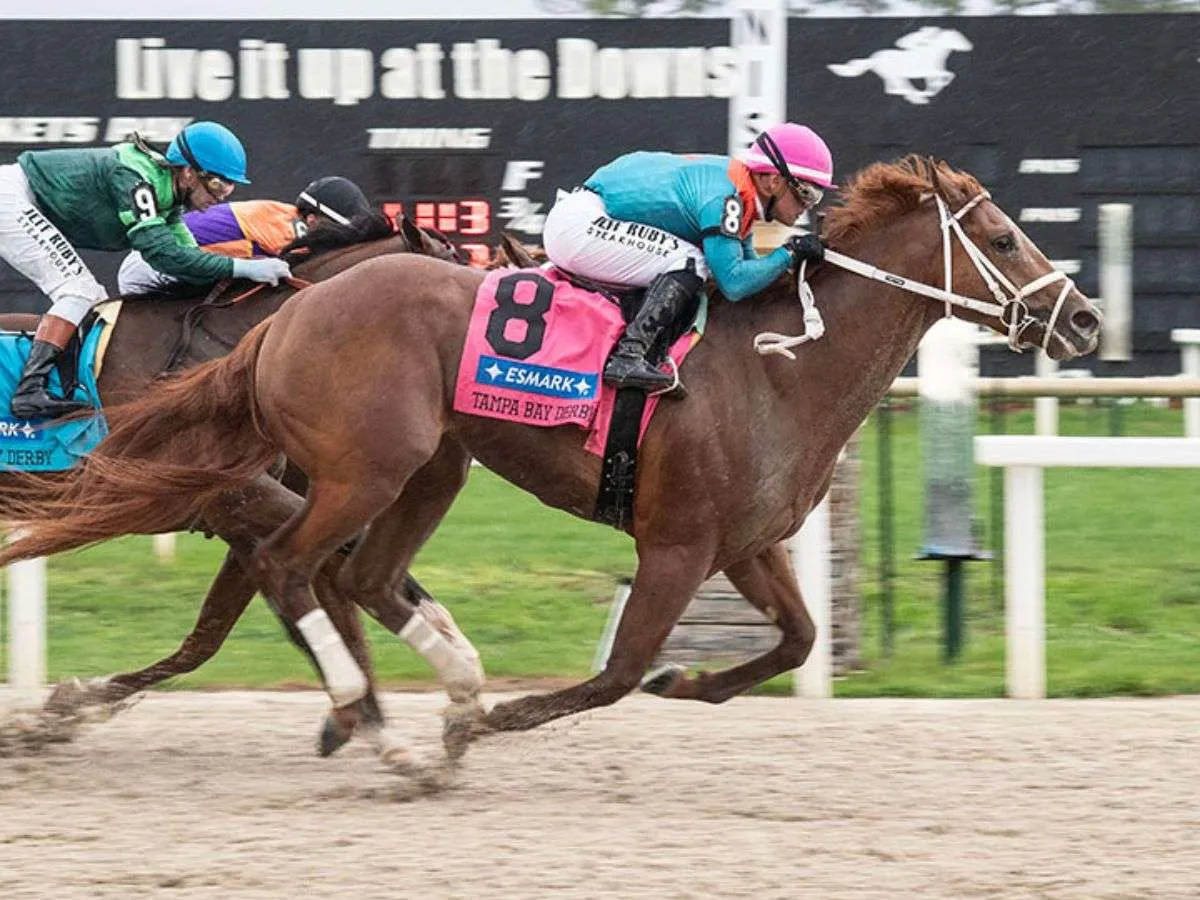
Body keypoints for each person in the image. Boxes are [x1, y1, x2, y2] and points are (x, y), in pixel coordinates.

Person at [0, 121, 291, 419]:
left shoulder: (168, 200)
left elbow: (190, 259)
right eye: (217, 183)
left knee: (95, 300)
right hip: (10, 198)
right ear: (189, 172)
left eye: (230, 186)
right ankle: (29, 391)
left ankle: (57, 385)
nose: (222, 195)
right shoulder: (137, 181)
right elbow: (162, 255)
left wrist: (241, 272)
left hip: (20, 198)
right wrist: (241, 267)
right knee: (79, 292)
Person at [541, 122, 834, 393]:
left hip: (583, 218)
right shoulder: (726, 197)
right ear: (772, 181)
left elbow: (751, 273)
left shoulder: (739, 191)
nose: (805, 207)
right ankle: (627, 356)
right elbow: (733, 283)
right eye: (806, 193)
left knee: (691, 260)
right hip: (580, 224)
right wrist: (791, 252)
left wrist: (791, 263)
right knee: (692, 261)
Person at [117, 176, 374, 295]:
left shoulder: (283, 216)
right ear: (311, 220)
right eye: (337, 231)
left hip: (179, 261)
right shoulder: (284, 227)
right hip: (150, 266)